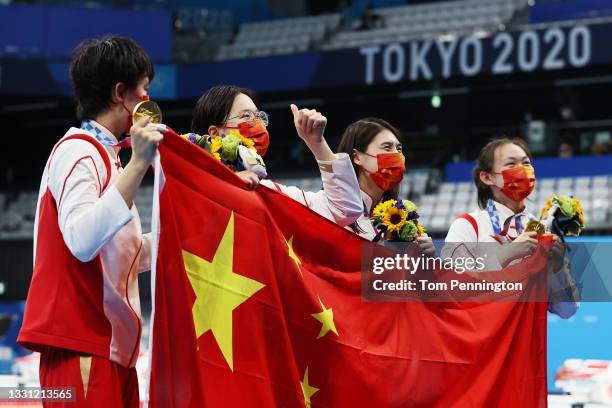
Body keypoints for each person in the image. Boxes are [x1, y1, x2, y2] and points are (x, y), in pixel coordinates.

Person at [18, 36, 164, 405]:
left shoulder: (110, 159)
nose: (148, 101)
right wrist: (139, 164)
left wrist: (187, 236)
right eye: (144, 90)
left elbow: (124, 254)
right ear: (121, 92)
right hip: (81, 346)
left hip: (113, 350)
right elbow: (82, 241)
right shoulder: (77, 151)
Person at [189, 85, 364, 227]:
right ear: (214, 133)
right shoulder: (184, 183)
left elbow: (345, 210)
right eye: (246, 116)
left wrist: (317, 143)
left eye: (259, 116)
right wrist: (228, 185)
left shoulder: (272, 192)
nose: (257, 123)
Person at [443, 137, 579, 318]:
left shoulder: (543, 232)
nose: (522, 169)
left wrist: (557, 268)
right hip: (484, 344)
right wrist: (506, 254)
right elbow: (451, 290)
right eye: (511, 164)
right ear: (487, 177)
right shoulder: (468, 226)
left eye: (526, 163)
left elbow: (567, 311)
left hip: (528, 344)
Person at [336, 118, 435, 254]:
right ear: (357, 157)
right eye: (387, 147)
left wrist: (424, 259)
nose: (396, 155)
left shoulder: (399, 217)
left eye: (399, 149)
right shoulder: (334, 208)